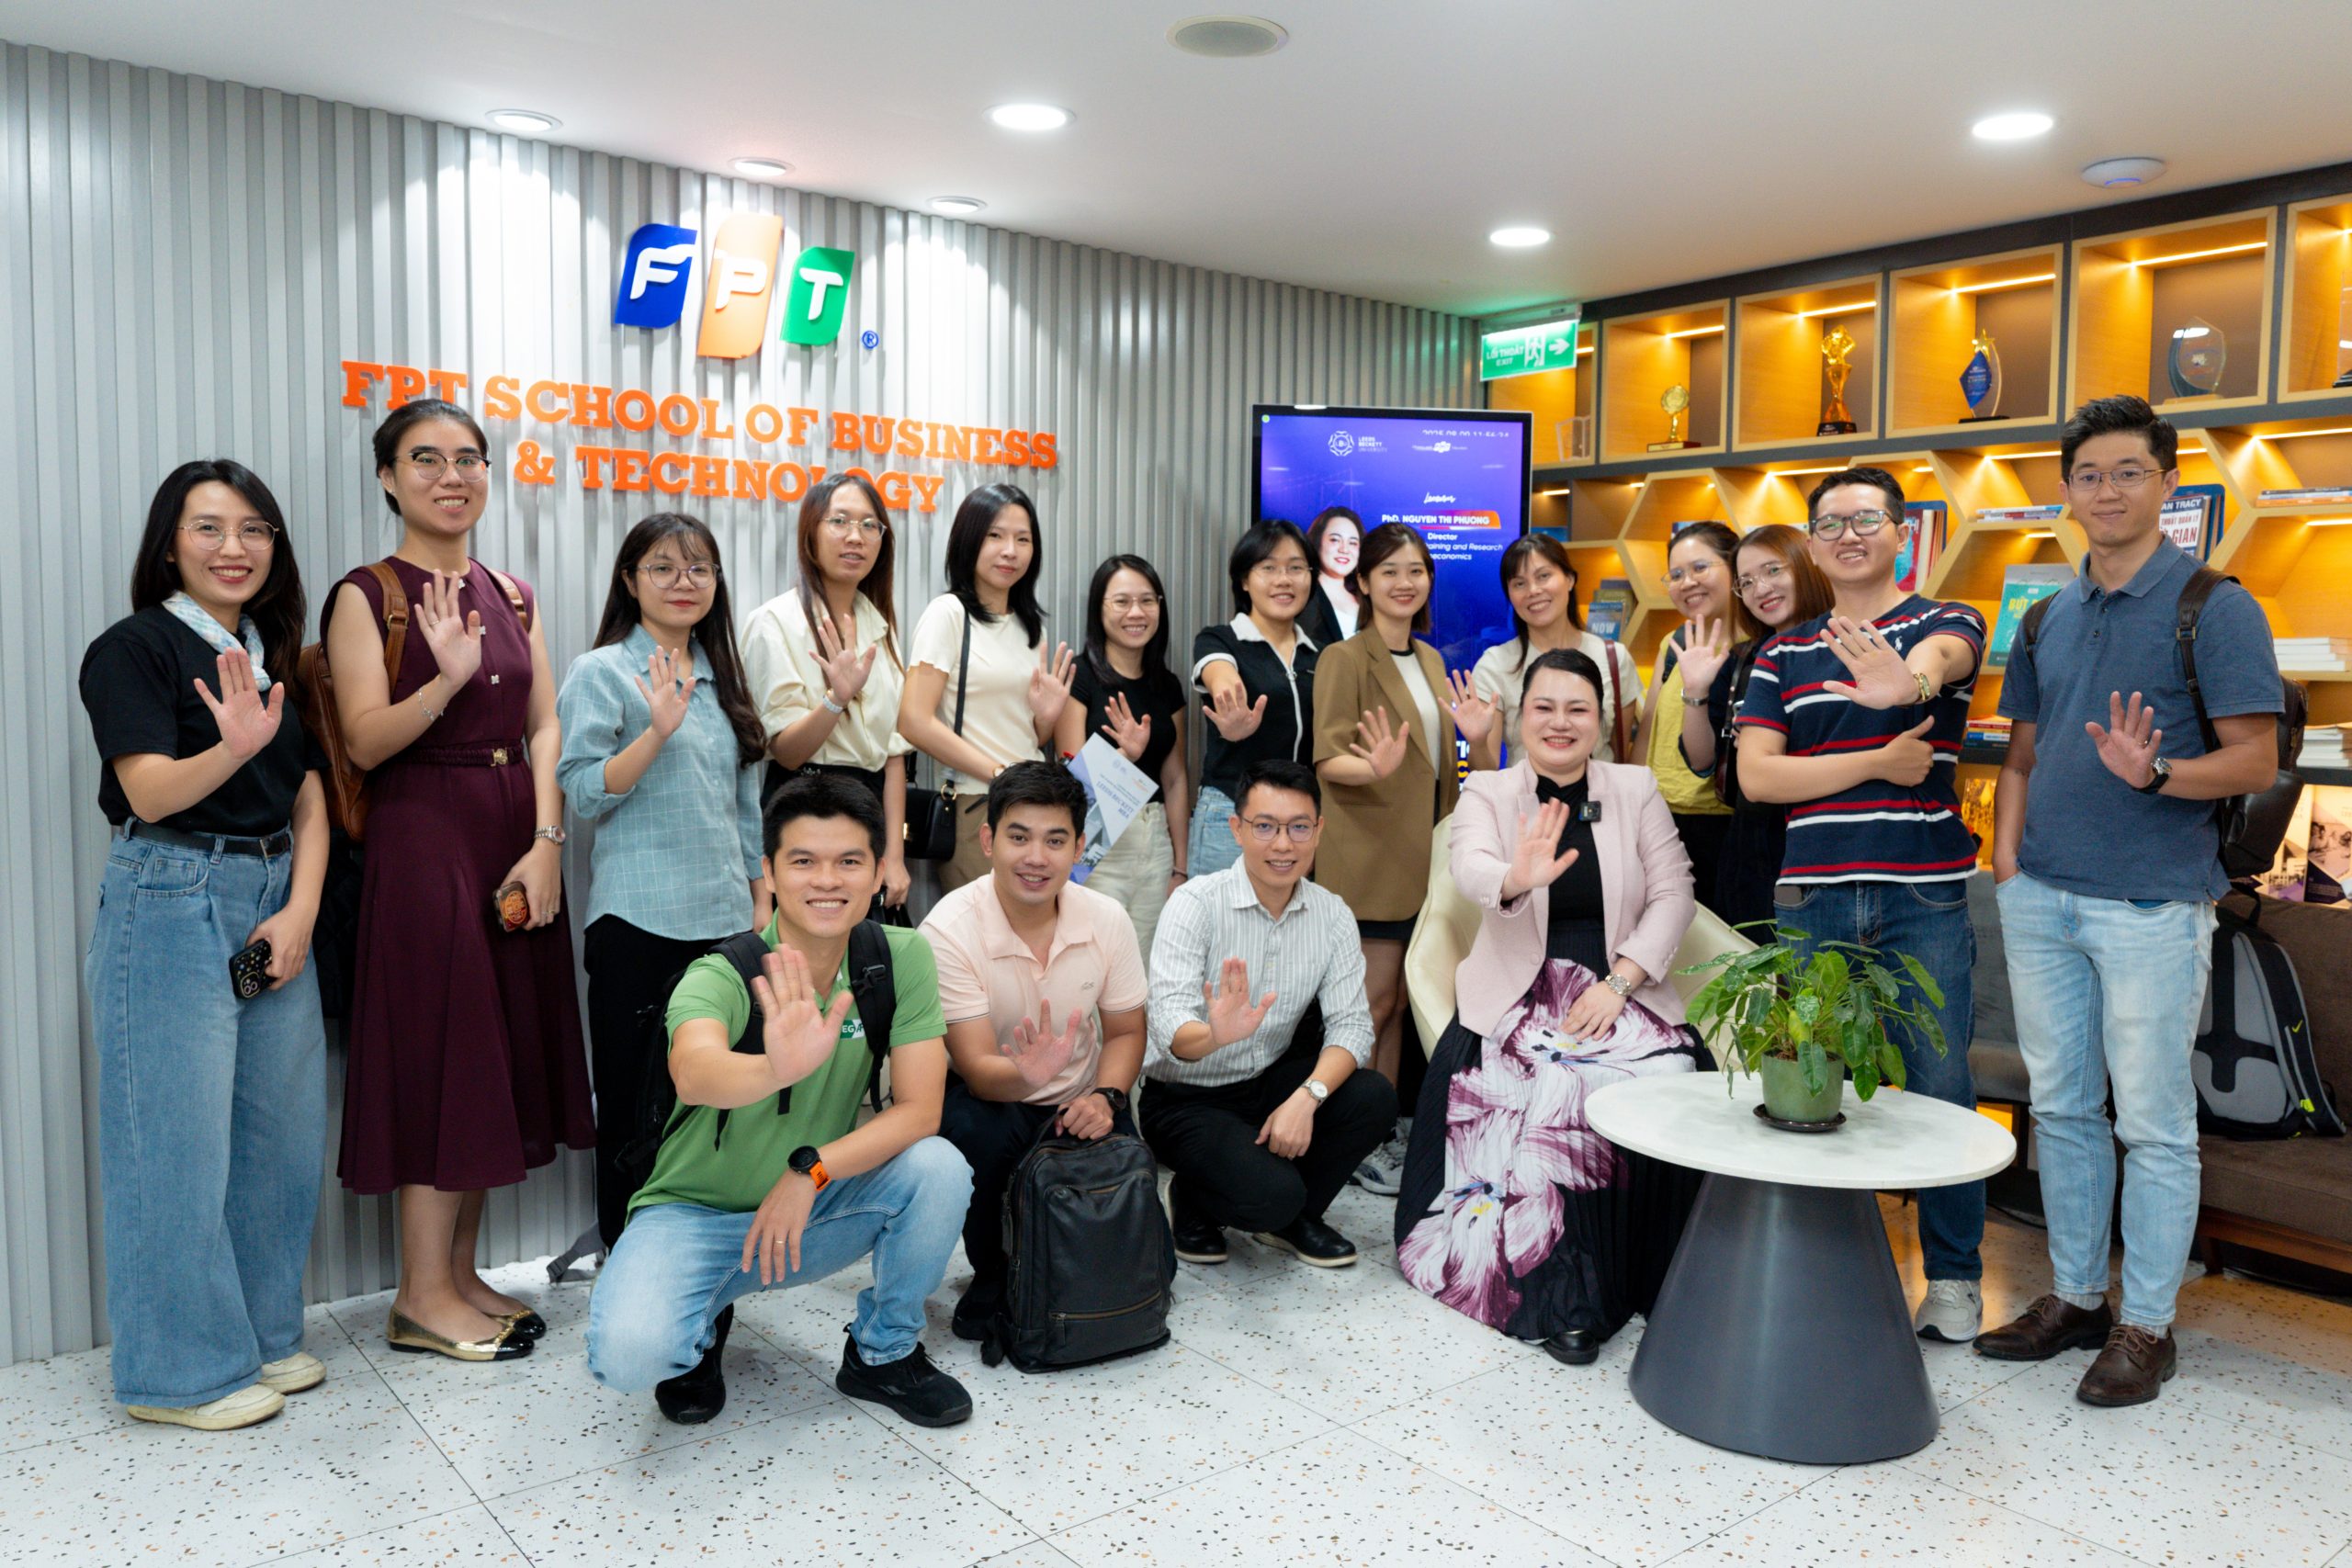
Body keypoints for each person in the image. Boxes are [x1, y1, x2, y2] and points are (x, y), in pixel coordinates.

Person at [1975, 397, 2283, 1405]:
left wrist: (2154, 774)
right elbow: (2021, 754)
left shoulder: (2213, 606)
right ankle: (2076, 1297)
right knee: (2063, 1108)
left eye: (2127, 472)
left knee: (2152, 1122)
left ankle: (2147, 1323)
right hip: (2042, 899)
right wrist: (2009, 862)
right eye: (2088, 475)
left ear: (2167, 485)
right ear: (2066, 490)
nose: (2105, 491)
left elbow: (2257, 758)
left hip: (2150, 905)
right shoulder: (2048, 615)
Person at [323, 399, 592, 1362]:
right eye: (426, 459)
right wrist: (443, 680)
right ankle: (419, 1295)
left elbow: (546, 724)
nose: (452, 476)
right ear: (388, 478)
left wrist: (548, 840)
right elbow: (364, 740)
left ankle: (459, 1276)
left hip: (511, 834)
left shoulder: (512, 592)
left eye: (469, 458)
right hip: (423, 840)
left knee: (494, 1055)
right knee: (442, 1055)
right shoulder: (367, 594)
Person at [586, 774, 975, 1428]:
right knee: (629, 1357)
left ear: (878, 870)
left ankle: (883, 1352)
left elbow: (919, 1112)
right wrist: (774, 1067)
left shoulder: (899, 958)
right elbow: (693, 1071)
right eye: (803, 861)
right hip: (695, 1217)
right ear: (767, 871)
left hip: (813, 1205)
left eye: (848, 861)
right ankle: (702, 1325)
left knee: (939, 1166)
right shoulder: (723, 972)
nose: (827, 880)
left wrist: (809, 1172)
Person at [78, 460, 329, 1430]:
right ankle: (177, 1373)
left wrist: (301, 910)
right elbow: (147, 791)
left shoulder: (267, 651)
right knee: (172, 1146)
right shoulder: (134, 648)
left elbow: (308, 792)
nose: (235, 547)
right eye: (209, 527)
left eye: (254, 529)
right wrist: (232, 746)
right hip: (170, 894)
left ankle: (261, 1336)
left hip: (273, 896)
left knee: (278, 1141)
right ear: (169, 544)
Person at [1734, 466, 1987, 1344]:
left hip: (1923, 891)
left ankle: (1953, 1277)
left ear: (1902, 531)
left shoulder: (1943, 619)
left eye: (1867, 519)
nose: (1849, 535)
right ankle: (1823, 1269)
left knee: (1941, 1082)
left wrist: (1906, 686)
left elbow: (1941, 662)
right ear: (1812, 544)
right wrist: (1877, 761)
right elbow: (1758, 776)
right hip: (1813, 894)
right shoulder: (1782, 654)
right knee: (1811, 1083)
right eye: (1831, 523)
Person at [1396, 649, 1706, 1366]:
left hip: (1618, 978)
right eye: (1544, 707)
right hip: (1518, 987)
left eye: (1577, 709)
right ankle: (1564, 1295)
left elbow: (1675, 891)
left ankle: (1649, 1272)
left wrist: (1620, 981)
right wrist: (1515, 875)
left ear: (1600, 719)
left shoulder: (1633, 787)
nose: (1560, 722)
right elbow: (1469, 865)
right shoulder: (1489, 791)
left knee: (1655, 1075)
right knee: (1554, 1083)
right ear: (1518, 715)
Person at [558, 513, 768, 1252]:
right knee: (632, 1105)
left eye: (699, 568)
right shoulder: (601, 672)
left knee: (718, 1105)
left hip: (724, 925)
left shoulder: (721, 676)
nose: (684, 582)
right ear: (630, 580)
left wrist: (760, 905)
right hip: (637, 924)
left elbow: (746, 809)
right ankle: (630, 1261)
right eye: (663, 567)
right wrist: (655, 732)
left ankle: (709, 1264)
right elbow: (583, 792)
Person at [922, 761, 1149, 1337]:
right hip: (994, 1096)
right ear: (988, 840)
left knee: (1137, 1250)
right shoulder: (948, 929)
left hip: (1082, 1096)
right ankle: (993, 1274)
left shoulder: (1107, 918)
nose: (1036, 858)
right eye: (1019, 837)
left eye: (1055, 840)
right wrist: (1027, 1074)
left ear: (1078, 848)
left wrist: (1106, 1097)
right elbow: (976, 1068)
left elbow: (1126, 1032)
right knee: (971, 1131)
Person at [1143, 760, 1397, 1268]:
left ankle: (1293, 1218)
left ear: (1318, 831)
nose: (1283, 844)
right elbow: (1167, 1023)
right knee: (1271, 1194)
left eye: (1298, 827)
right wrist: (1215, 1035)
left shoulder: (1332, 914)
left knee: (1373, 1096)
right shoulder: (1195, 904)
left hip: (1267, 1082)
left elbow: (1352, 1027)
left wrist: (1308, 1096)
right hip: (1187, 1097)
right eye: (1265, 826)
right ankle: (1195, 1198)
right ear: (1237, 829)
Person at [1312, 521, 1460, 1196]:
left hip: (1425, 857)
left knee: (1399, 1001)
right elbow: (1326, 757)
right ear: (1364, 582)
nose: (1405, 582)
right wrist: (1371, 767)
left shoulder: (1429, 659)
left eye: (1416, 570)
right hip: (1368, 857)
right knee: (1369, 1003)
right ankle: (1348, 1135)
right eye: (1390, 571)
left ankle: (1380, 1127)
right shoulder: (1345, 658)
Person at [741, 473, 914, 911]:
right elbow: (786, 752)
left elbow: (893, 755)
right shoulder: (774, 622)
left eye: (869, 525)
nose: (855, 537)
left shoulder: (880, 625)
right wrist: (836, 700)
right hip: (804, 805)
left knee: (868, 947)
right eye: (839, 521)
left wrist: (894, 857)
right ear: (810, 533)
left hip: (869, 812)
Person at [899, 483, 1075, 893]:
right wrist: (1000, 775)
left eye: (1023, 539)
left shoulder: (1030, 627)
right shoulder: (948, 614)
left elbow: (1025, 737)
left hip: (1032, 805)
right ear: (968, 540)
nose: (1010, 551)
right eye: (995, 535)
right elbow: (912, 720)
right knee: (989, 929)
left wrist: (1045, 720)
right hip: (978, 805)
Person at [1672, 525, 1837, 932]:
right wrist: (1696, 692)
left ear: (1806, 565)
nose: (1761, 589)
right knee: (1751, 960)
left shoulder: (1844, 645)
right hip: (1751, 842)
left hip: (1825, 837)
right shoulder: (1744, 659)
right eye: (1746, 582)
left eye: (1773, 570)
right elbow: (1702, 761)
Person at [1054, 554, 1191, 958]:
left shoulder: (1167, 685)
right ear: (1099, 609)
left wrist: (1180, 866)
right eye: (1122, 602)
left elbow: (1175, 779)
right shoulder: (1079, 675)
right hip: (1100, 841)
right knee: (1092, 960)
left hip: (1155, 839)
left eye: (1147, 601)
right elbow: (1071, 779)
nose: (1136, 613)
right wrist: (1123, 758)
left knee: (1147, 965)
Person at [1633, 521, 1755, 907]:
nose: (1688, 583)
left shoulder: (1759, 647)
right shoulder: (1673, 643)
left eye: (1700, 568)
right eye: (1676, 575)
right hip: (1660, 819)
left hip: (1725, 825)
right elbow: (1647, 733)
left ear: (1734, 568)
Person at [1191, 520, 1321, 877]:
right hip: (1231, 815)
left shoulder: (1321, 655)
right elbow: (1220, 676)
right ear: (1245, 580)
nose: (1284, 580)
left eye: (1296, 568)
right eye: (1269, 568)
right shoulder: (1220, 640)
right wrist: (1232, 713)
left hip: (1296, 821)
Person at [1466, 535, 1642, 767]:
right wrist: (1477, 742)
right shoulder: (1495, 665)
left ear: (1569, 579)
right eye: (1519, 584)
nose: (1533, 590)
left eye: (1543, 576)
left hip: (1599, 791)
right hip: (1525, 790)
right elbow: (1484, 773)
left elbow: (1620, 758)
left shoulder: (1614, 659)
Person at [1298, 505, 1363, 650]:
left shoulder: (1366, 599)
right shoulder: (1302, 596)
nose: (1344, 549)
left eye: (1353, 543)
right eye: (1335, 540)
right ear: (1318, 542)